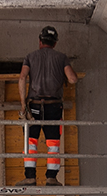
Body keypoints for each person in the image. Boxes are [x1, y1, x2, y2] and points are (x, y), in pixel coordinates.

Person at [17, 26, 78, 186]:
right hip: (53, 106)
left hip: (34, 105)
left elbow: (22, 78)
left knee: (30, 142)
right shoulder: (61, 57)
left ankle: (30, 177)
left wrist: (23, 105)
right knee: (53, 143)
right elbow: (72, 79)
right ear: (55, 43)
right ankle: (51, 178)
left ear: (40, 41)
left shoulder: (30, 57)